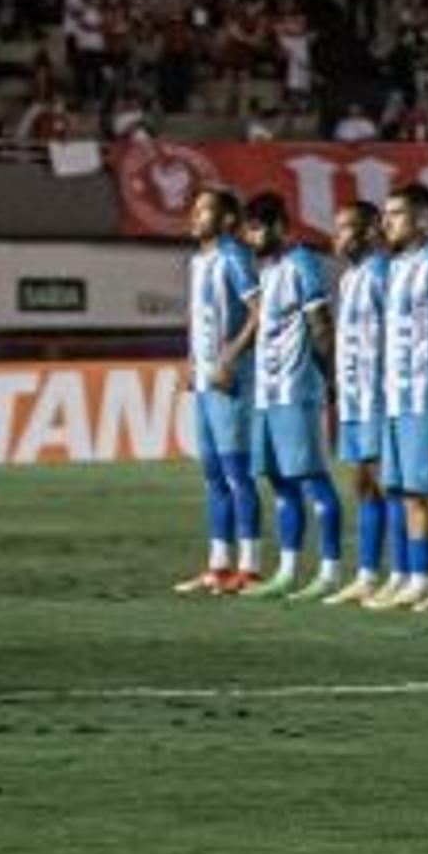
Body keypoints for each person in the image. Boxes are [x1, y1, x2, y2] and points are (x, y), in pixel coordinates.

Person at [238, 193, 345, 600]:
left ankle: (330, 572)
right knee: (279, 482)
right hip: (266, 394)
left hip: (296, 390)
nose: (251, 237)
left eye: (257, 228)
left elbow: (321, 326)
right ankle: (286, 571)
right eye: (247, 230)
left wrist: (330, 379)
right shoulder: (268, 270)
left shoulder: (302, 264)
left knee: (313, 479)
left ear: (280, 226)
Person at [372, 185, 428, 612]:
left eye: (397, 214)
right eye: (386, 214)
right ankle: (418, 578)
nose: (387, 222)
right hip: (397, 395)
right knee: (407, 492)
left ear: (423, 219)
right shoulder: (395, 266)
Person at [178, 185, 262, 594]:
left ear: (228, 219)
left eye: (204, 210)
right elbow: (201, 317)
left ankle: (251, 566)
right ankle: (218, 565)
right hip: (205, 381)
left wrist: (229, 359)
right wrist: (192, 361)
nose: (194, 216)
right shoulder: (199, 261)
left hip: (231, 382)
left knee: (236, 474)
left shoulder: (233, 256)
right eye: (194, 210)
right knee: (213, 475)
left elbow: (259, 313)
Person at [321, 204, 393, 606]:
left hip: (380, 395)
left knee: (387, 484)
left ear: (369, 232)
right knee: (363, 484)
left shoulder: (382, 273)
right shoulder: (349, 278)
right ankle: (368, 574)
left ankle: (406, 574)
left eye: (346, 228)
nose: (337, 237)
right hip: (354, 396)